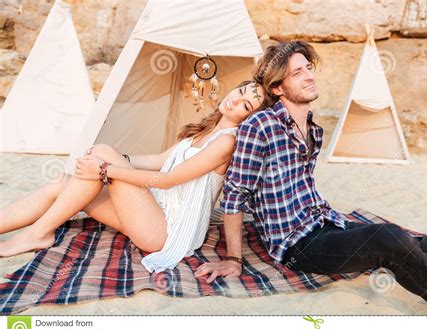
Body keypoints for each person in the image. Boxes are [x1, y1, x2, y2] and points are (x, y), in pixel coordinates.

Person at [194, 41, 427, 314]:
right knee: (389, 237)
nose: (309, 76)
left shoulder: (314, 129)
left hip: (323, 221)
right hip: (296, 245)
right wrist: (233, 258)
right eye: (297, 73)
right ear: (278, 88)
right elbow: (235, 194)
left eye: (308, 68)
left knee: (418, 243)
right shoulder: (260, 125)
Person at [0, 80, 268, 273]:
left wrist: (106, 168)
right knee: (65, 182)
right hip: (153, 210)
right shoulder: (207, 129)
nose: (235, 100)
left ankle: (36, 233)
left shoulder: (226, 142)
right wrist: (117, 158)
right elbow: (159, 161)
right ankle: (32, 232)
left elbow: (168, 179)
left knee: (103, 156)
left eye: (245, 105)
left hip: (167, 231)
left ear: (249, 119)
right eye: (240, 91)